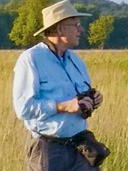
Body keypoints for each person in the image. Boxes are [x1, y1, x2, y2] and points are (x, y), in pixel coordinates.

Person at [13, 0, 106, 170]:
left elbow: (80, 98)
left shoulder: (76, 60)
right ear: (60, 28)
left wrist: (94, 99)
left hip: (81, 146)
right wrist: (63, 106)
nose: (81, 30)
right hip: (48, 149)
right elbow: (23, 108)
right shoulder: (31, 59)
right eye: (76, 24)